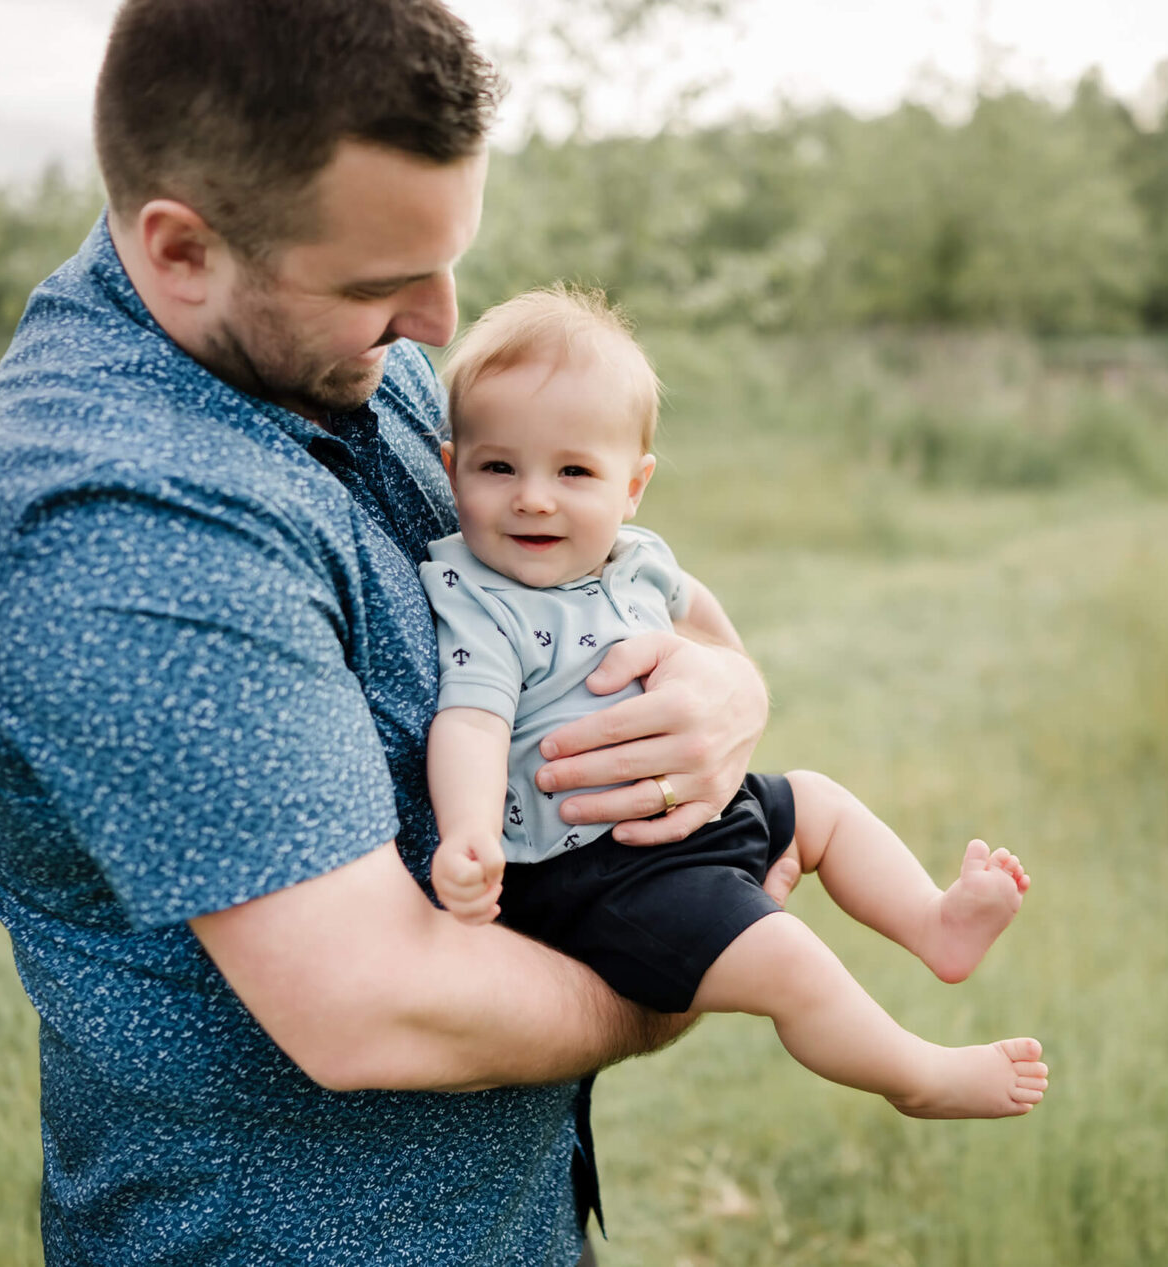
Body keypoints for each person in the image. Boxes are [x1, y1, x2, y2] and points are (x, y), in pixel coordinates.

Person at [0, 2, 783, 1262]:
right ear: (181, 250)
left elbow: (603, 586)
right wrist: (687, 964)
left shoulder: (305, 332)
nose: (440, 323)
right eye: (387, 284)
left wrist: (726, 690)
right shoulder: (123, 526)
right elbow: (374, 1009)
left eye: (445, 260)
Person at [419, 286, 1050, 1119]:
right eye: (499, 466)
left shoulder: (635, 557)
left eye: (574, 470)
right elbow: (470, 719)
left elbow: (708, 627)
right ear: (449, 464)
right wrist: (465, 832)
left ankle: (935, 923)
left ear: (634, 485)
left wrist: (734, 677)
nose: (534, 496)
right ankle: (916, 1073)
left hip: (697, 811)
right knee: (786, 960)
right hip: (598, 873)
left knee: (819, 801)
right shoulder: (482, 596)